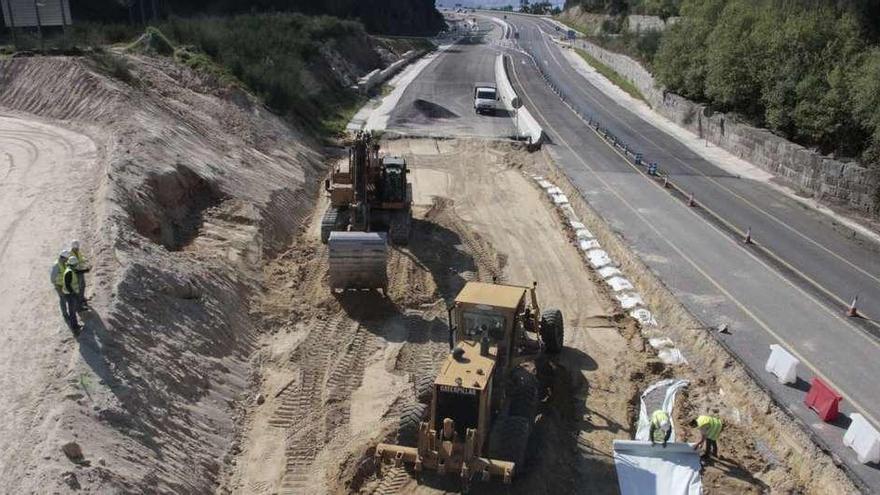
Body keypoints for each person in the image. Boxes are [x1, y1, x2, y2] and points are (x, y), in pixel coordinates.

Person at [62, 256, 82, 336]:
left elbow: (77, 272)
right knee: (72, 312)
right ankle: (74, 328)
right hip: (69, 294)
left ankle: (76, 325)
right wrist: (73, 293)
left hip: (71, 293)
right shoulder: (69, 272)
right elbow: (67, 285)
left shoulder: (71, 269)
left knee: (73, 311)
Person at [50, 250, 71, 324]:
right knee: (63, 299)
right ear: (63, 258)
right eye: (66, 259)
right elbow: (52, 278)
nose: (67, 260)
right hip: (59, 285)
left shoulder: (63, 263)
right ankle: (65, 314)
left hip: (65, 284)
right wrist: (57, 286)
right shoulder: (56, 265)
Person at [70, 240, 89, 309]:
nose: (78, 249)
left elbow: (80, 259)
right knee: (79, 288)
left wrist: (84, 260)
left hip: (81, 271)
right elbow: (74, 268)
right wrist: (85, 270)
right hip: (77, 274)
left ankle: (82, 297)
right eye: (76, 248)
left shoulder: (77, 252)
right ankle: (79, 304)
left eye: (78, 247)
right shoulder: (70, 254)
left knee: (83, 286)